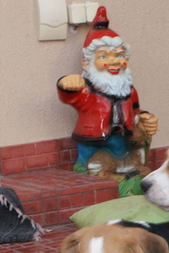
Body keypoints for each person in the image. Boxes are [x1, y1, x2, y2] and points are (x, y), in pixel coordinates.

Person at [57, 6, 158, 175]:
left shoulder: (128, 90)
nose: (115, 62)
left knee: (139, 158)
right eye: (103, 56)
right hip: (95, 144)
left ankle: (128, 172)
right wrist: (65, 83)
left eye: (119, 56)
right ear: (86, 64)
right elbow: (69, 96)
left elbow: (134, 110)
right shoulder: (87, 91)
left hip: (125, 143)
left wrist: (144, 117)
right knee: (99, 167)